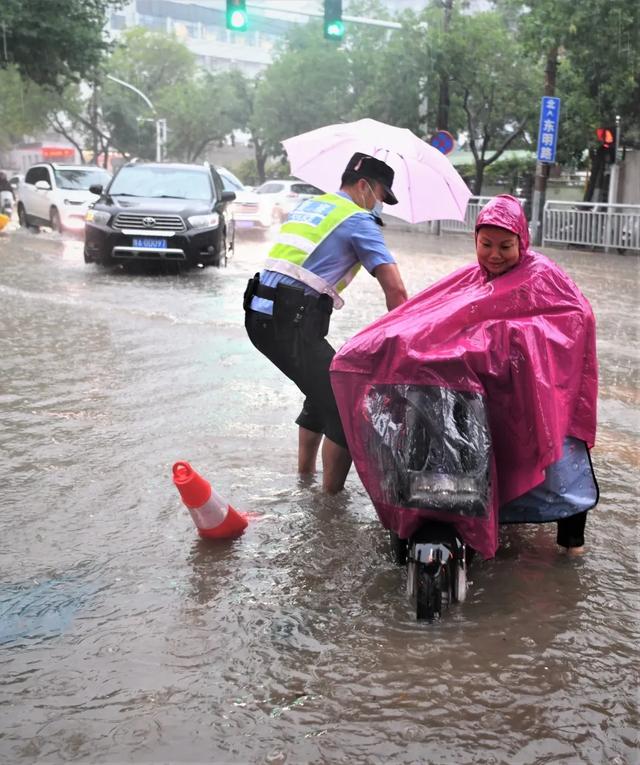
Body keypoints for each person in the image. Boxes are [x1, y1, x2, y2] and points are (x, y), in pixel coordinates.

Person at [331, 194, 598, 559]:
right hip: (477, 390)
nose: (494, 254)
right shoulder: (469, 279)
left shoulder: (544, 277)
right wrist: (384, 343)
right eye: (486, 244)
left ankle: (573, 548)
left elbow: (573, 322)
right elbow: (424, 318)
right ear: (474, 240)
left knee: (562, 473)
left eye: (506, 246)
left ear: (523, 240)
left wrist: (504, 340)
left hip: (534, 394)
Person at [243, 153, 409, 494]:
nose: (380, 205)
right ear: (363, 187)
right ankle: (329, 503)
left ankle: (304, 479)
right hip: (291, 323)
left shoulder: (312, 205)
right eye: (380, 195)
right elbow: (396, 289)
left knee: (323, 388)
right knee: (349, 409)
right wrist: (405, 342)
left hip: (260, 316)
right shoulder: (357, 220)